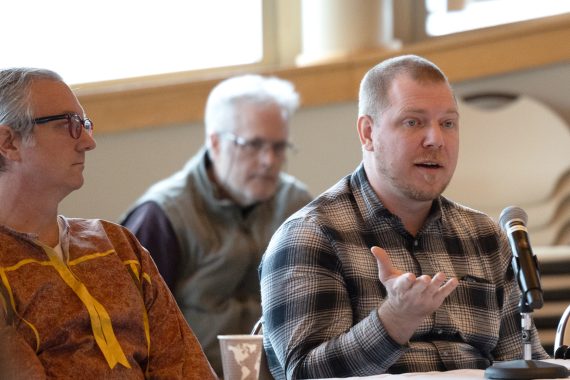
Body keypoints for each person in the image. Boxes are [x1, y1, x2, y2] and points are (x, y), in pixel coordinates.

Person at [259, 55, 550, 379]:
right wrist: (393, 322)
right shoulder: (312, 236)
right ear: (368, 133)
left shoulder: (484, 237)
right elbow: (302, 373)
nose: (436, 139)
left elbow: (523, 365)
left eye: (448, 123)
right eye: (413, 122)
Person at [0, 68, 217, 379]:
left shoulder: (117, 244)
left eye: (85, 125)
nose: (88, 142)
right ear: (8, 142)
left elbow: (185, 367)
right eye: (67, 124)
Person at [120, 74, 312, 374]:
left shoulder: (297, 205)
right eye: (254, 145)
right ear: (215, 143)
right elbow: (130, 333)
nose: (268, 161)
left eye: (279, 147)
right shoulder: (162, 216)